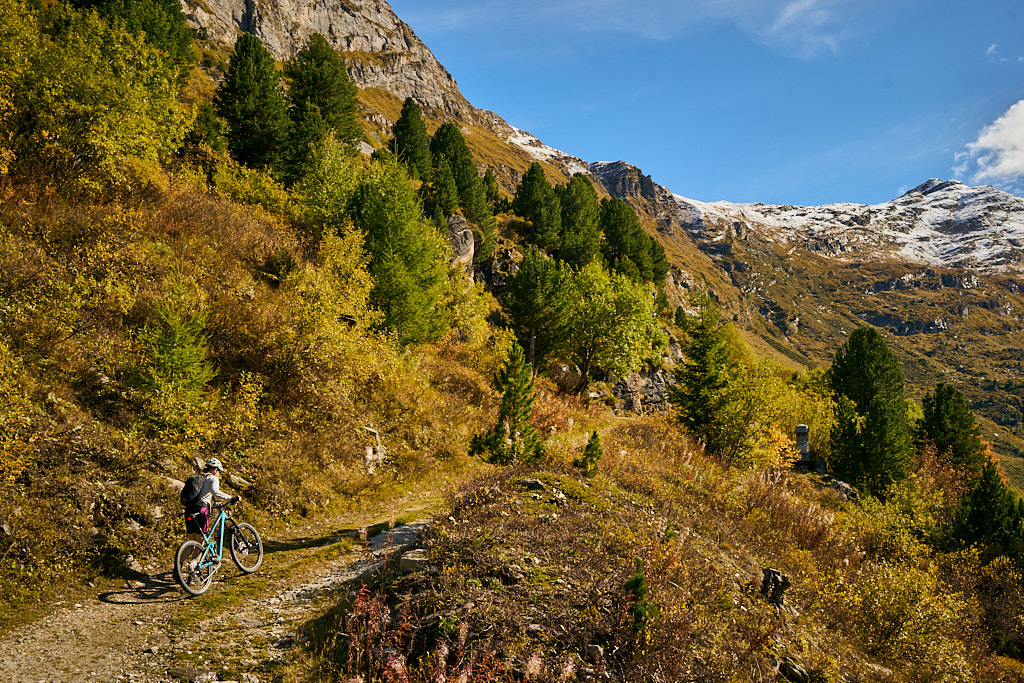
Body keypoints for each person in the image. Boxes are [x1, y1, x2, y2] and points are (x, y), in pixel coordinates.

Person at [184, 457, 239, 547]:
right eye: (219, 472)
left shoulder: (199, 478)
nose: (219, 474)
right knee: (200, 543)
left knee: (191, 544)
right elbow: (215, 492)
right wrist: (230, 498)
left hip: (190, 509)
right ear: (216, 469)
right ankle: (197, 561)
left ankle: (182, 561)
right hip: (202, 510)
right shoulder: (212, 478)